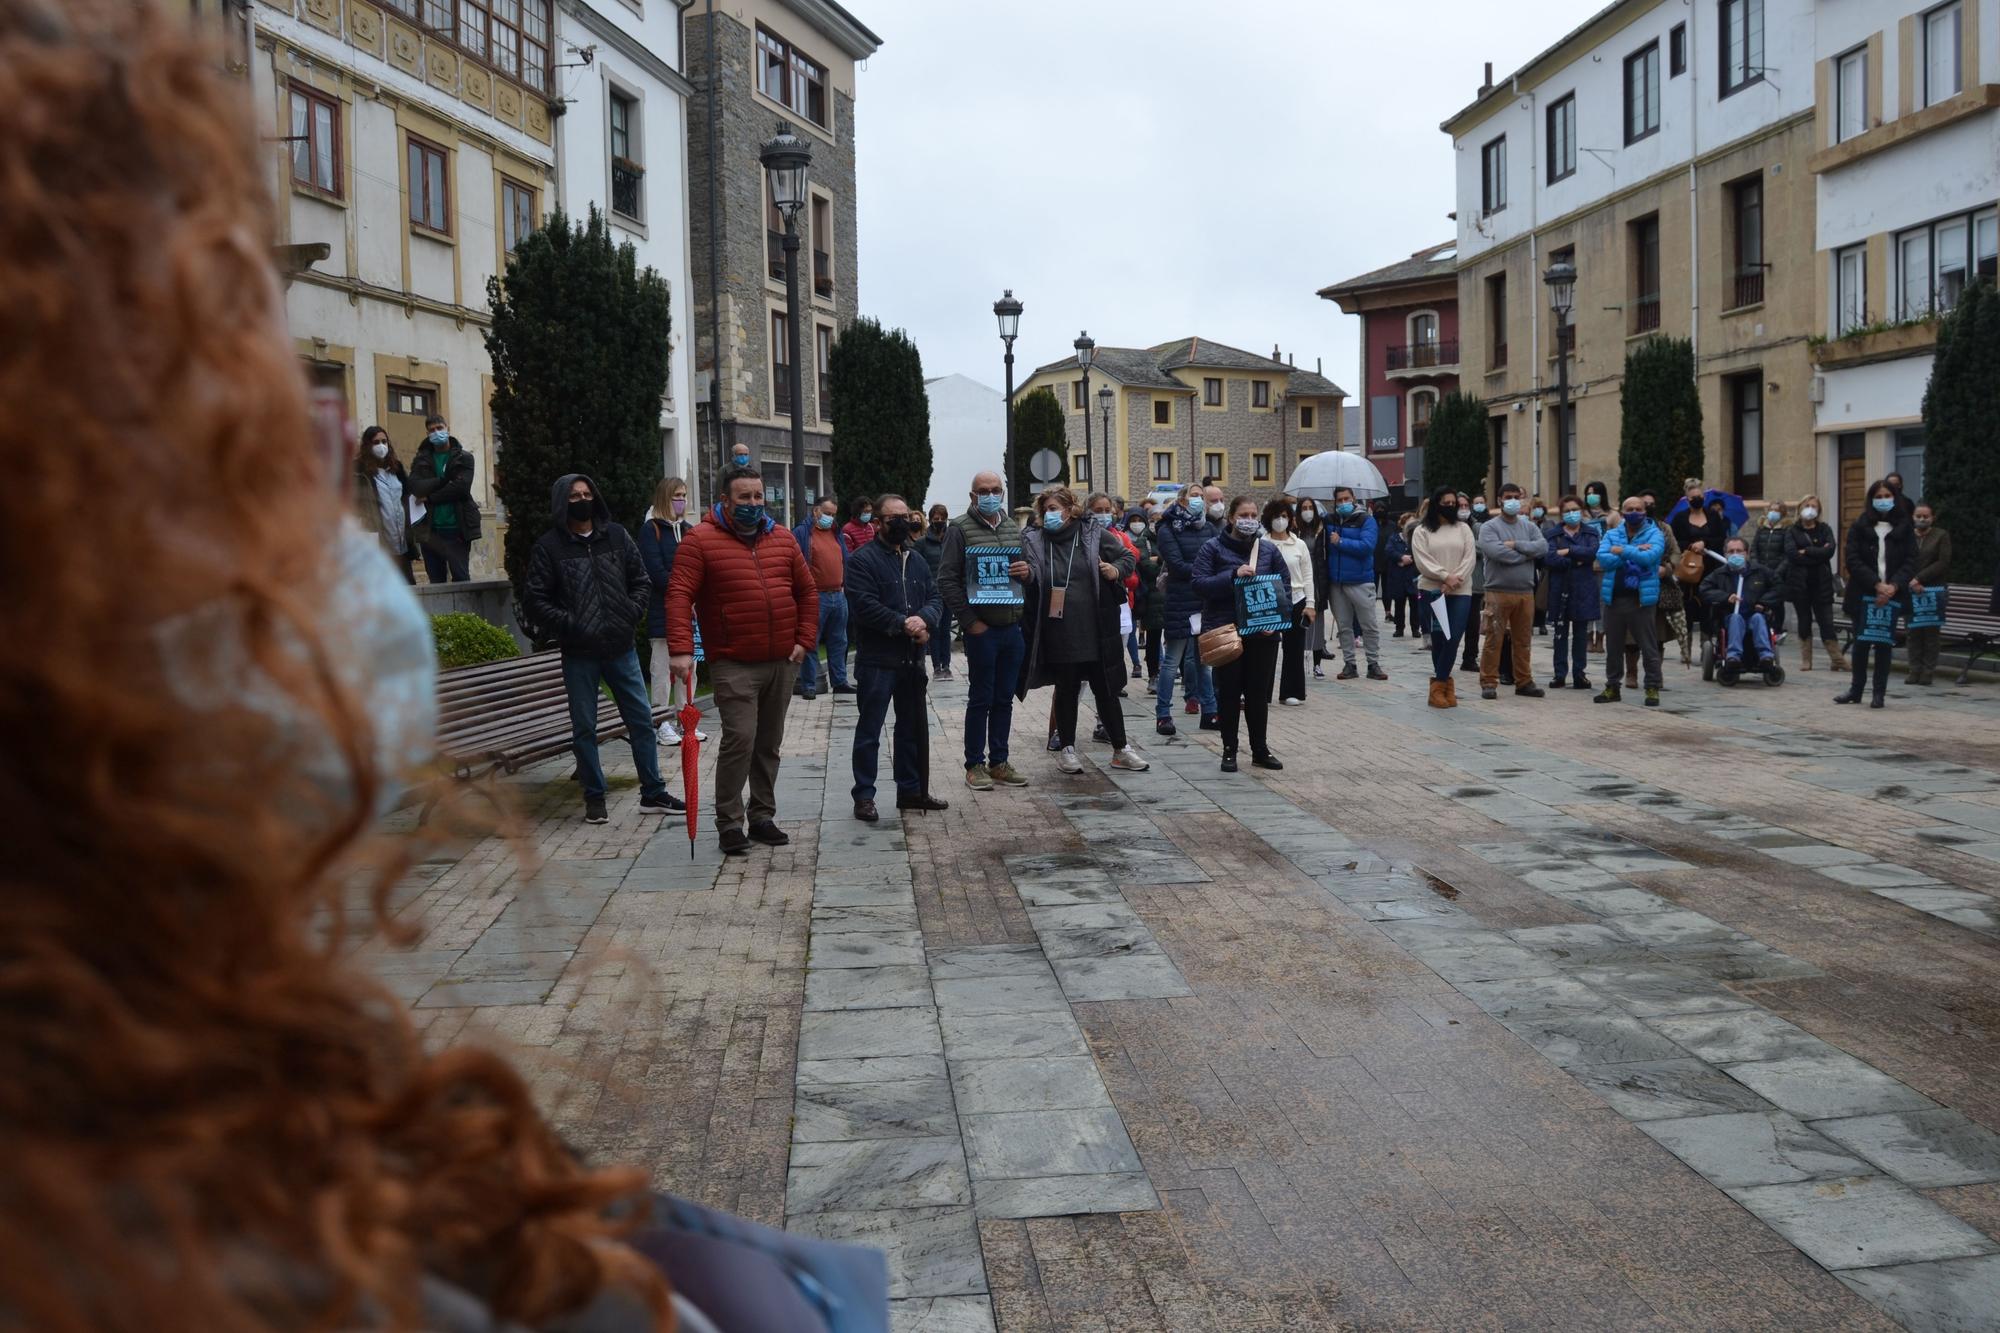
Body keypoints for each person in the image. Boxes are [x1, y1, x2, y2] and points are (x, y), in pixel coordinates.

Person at [4, 8, 883, 1329]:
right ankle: (685, 803)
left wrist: (783, 630)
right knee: (625, 737)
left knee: (671, 740)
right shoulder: (254, 1239)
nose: (310, 531)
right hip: (618, 656)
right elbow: (649, 582)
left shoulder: (222, 1095)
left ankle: (707, 801)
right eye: (248, 450)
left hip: (716, 658)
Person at [666, 469, 816, 855]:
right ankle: (729, 823)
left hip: (781, 660)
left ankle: (762, 816)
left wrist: (804, 640)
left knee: (769, 743)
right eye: (744, 497)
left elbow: (807, 591)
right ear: (725, 499)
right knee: (741, 739)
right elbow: (679, 595)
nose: (752, 504)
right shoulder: (700, 540)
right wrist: (681, 649)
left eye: (757, 497)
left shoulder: (782, 538)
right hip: (733, 661)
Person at [525, 475, 684, 824]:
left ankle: (653, 792)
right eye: (574, 496)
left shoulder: (616, 536)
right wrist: (571, 624)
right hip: (579, 653)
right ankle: (594, 797)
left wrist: (629, 613)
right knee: (585, 728)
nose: (583, 500)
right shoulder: (550, 547)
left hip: (620, 647)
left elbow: (640, 580)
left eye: (587, 494)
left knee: (641, 721)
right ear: (561, 502)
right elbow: (536, 599)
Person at [1017, 488, 1147, 774]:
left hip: (1097, 625)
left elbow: (1127, 558)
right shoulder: (1034, 539)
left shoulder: (1091, 533)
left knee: (1106, 689)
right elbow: (1032, 576)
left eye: (1056, 508)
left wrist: (1114, 570)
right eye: (1046, 508)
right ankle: (1067, 749)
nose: (1051, 513)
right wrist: (1027, 576)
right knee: (1067, 688)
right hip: (1058, 628)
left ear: (1071, 509)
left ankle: (1120, 749)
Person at [845, 496, 946, 821]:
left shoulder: (915, 559)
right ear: (877, 522)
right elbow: (864, 604)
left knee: (912, 729)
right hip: (877, 660)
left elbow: (934, 596)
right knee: (870, 731)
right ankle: (864, 796)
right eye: (894, 518)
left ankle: (912, 791)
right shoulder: (862, 560)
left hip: (912, 659)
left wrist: (925, 620)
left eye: (906, 516)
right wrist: (903, 624)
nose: (903, 523)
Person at [937, 471, 1033, 791]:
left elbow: (1027, 572)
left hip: (1011, 628)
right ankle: (974, 764)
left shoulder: (1011, 527)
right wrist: (969, 621)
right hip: (982, 631)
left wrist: (1027, 572)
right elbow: (947, 580)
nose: (990, 495)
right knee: (981, 698)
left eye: (995, 490)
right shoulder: (959, 529)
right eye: (983, 491)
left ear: (1003, 493)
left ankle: (1000, 762)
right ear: (972, 496)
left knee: (1004, 698)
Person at [1193, 495, 1291, 771]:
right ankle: (1229, 750)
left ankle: (1260, 748)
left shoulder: (1269, 551)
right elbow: (1199, 584)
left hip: (1263, 632)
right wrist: (1232, 575)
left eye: (1253, 515)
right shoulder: (1212, 549)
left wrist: (1277, 617)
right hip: (1227, 632)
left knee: (1258, 694)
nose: (1248, 520)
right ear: (1231, 518)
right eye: (1243, 515)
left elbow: (1284, 584)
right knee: (1229, 693)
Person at [1837, 479, 1917, 709]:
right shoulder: (1860, 525)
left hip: (1892, 594)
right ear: (1872, 500)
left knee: (1883, 644)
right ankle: (1856, 689)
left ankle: (1879, 692)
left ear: (1895, 497)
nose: (1883, 500)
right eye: (1878, 496)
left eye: (1887, 496)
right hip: (1864, 593)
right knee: (1861, 643)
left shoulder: (1905, 526)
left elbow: (1911, 560)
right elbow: (1852, 559)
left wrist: (1893, 586)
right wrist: (1875, 584)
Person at [638, 476, 703, 745]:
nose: (682, 501)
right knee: (662, 667)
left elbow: (698, 565)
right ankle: (661, 721)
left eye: (685, 495)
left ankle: (686, 719)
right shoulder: (651, 530)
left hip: (690, 611)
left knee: (691, 667)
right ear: (666, 497)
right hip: (663, 609)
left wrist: (696, 596)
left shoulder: (689, 529)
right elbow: (655, 570)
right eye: (677, 495)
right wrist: (683, 594)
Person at [1155, 482, 1220, 736]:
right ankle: (1163, 714)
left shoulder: (1210, 528)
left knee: (1205, 662)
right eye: (1194, 496)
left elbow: (1219, 557)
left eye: (1201, 497)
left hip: (1204, 602)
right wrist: (1206, 572)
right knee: (1171, 662)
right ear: (1182, 500)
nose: (1198, 500)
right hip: (1180, 602)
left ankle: (1210, 712)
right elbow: (1177, 565)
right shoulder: (1167, 527)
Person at [1473, 482, 1548, 700]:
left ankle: (1524, 681)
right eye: (1508, 496)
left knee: (1523, 640)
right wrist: (1527, 553)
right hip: (1498, 591)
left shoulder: (1529, 526)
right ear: (1499, 500)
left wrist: (1515, 545)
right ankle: (1488, 682)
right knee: (1494, 639)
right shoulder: (1490, 527)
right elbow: (1496, 553)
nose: (1513, 500)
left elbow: (1542, 547)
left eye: (1517, 496)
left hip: (1526, 592)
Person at [1593, 497, 1668, 706]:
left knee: (1648, 646)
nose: (1634, 512)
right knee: (1614, 647)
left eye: (1638, 509)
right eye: (1629, 509)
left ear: (1645, 511)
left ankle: (1652, 687)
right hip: (1614, 599)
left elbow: (1650, 558)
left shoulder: (1655, 533)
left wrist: (1622, 550)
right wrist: (1635, 552)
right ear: (1622, 512)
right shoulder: (1612, 533)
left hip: (1641, 600)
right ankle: (1612, 687)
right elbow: (1603, 557)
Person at [1412, 486, 1475, 709]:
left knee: (1454, 636)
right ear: (1436, 504)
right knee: (1438, 639)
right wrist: (1444, 576)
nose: (1450, 507)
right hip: (1432, 590)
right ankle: (1443, 688)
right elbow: (1422, 560)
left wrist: (1455, 579)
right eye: (1445, 503)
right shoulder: (1422, 531)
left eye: (1453, 503)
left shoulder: (1463, 529)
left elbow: (1470, 557)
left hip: (1460, 590)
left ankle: (1439, 683)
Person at [407, 411, 481, 583]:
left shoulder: (464, 458)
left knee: (461, 578)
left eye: (439, 428)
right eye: (431, 430)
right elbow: (415, 486)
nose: (436, 433)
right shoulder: (421, 461)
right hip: (430, 532)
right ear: (427, 434)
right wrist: (444, 481)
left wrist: (430, 497)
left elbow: (461, 489)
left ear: (448, 429)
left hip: (457, 528)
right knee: (436, 582)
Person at [1323, 486, 1387, 681]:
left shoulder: (1367, 520)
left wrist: (1341, 542)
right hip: (1337, 582)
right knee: (1344, 626)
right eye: (1339, 500)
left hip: (1361, 581)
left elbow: (1367, 546)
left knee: (1369, 625)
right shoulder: (1330, 521)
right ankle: (1349, 663)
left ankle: (1373, 663)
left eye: (1346, 499)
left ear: (1354, 499)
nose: (1343, 503)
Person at [1699, 537, 1784, 679]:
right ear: (1725, 554)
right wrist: (1725, 597)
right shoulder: (1720, 574)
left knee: (1758, 618)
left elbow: (1779, 587)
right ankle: (1733, 657)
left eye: (1739, 551)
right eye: (1731, 551)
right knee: (1736, 618)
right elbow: (1704, 590)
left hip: (1754, 615)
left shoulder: (1760, 571)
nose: (1735, 554)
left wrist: (1763, 602)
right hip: (1730, 616)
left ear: (1747, 553)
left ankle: (1766, 656)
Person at [794, 496, 852, 699]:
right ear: (816, 511)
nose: (830, 518)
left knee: (839, 641)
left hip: (838, 594)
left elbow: (845, 559)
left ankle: (840, 681)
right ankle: (809, 685)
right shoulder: (802, 533)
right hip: (815, 596)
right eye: (827, 513)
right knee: (811, 641)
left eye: (833, 514)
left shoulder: (836, 533)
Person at [1264, 497, 1316, 704]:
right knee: (1267, 647)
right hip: (1271, 600)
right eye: (1276, 516)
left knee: (1294, 648)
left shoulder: (1300, 544)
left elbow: (1308, 576)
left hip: (1296, 598)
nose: (1280, 520)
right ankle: (1263, 692)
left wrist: (1310, 604)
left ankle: (1291, 691)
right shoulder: (1263, 543)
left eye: (1284, 516)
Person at [1786, 494, 1847, 672]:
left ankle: (1837, 659)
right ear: (1800, 507)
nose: (1810, 509)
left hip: (1822, 582)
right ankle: (1806, 660)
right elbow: (1792, 554)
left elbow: (1830, 551)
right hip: (1800, 584)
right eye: (1807, 505)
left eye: (1814, 506)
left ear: (1819, 510)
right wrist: (1817, 553)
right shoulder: (1792, 530)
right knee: (1804, 621)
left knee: (1826, 621)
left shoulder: (1824, 529)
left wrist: (1807, 551)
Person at [1543, 497, 1599, 690]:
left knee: (1581, 634)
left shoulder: (1590, 532)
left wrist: (1568, 551)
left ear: (1581, 510)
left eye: (1575, 509)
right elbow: (1549, 558)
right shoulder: (1553, 534)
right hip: (1560, 588)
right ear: (1561, 513)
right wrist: (1575, 559)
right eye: (1567, 510)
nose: (1571, 513)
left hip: (1583, 589)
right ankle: (1559, 674)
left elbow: (1592, 553)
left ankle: (1579, 673)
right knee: (1560, 633)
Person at [354, 424, 413, 582]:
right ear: (367, 445)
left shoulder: (396, 468)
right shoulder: (359, 470)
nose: (381, 446)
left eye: (384, 441)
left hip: (401, 540)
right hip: (377, 539)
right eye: (376, 442)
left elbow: (407, 495)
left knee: (407, 584)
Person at [1672, 478, 1728, 639]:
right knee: (1688, 605)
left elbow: (1721, 538)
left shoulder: (1713, 516)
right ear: (1687, 499)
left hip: (1710, 567)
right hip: (1689, 569)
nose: (1697, 499)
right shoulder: (1680, 518)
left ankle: (1707, 642)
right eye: (1693, 497)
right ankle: (1686, 644)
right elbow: (1676, 542)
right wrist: (1692, 546)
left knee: (1709, 605)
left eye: (1700, 496)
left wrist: (1705, 543)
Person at [1909, 502, 1954, 686]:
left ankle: (1928, 671)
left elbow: (1943, 562)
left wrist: (1920, 578)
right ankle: (1914, 670)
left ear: (1932, 518)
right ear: (1913, 516)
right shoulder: (1907, 536)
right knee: (1912, 631)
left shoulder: (1941, 535)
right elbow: (1901, 559)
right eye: (1918, 516)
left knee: (1931, 632)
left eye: (1925, 516)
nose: (1922, 519)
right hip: (1910, 588)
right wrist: (1911, 580)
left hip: (1933, 589)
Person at [914, 502, 955, 679]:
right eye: (936, 519)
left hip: (949, 591)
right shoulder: (922, 543)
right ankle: (937, 666)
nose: (939, 522)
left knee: (946, 630)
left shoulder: (951, 540)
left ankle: (946, 665)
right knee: (935, 630)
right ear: (930, 520)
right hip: (931, 593)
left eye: (942, 519)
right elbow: (917, 567)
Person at [1746, 499, 1792, 651]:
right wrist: (1755, 564)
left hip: (1777, 572)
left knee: (1777, 602)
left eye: (1777, 510)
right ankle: (1762, 627)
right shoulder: (1762, 528)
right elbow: (1754, 549)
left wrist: (1778, 571)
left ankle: (1777, 630)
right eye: (1771, 509)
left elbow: (1787, 554)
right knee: (1759, 598)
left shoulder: (1786, 530)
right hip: (1760, 570)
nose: (1773, 513)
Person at [1128, 508, 1164, 688]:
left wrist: (1159, 559)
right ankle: (1153, 675)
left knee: (1178, 637)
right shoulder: (1144, 541)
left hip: (1170, 596)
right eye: (1154, 520)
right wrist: (1161, 562)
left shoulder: (1168, 539)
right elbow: (1148, 567)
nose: (1157, 523)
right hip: (1152, 597)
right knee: (1154, 638)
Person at [1459, 491, 1486, 673]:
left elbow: (1484, 548)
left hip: (1474, 582)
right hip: (1453, 581)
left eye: (1465, 506)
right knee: (1452, 623)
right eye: (1459, 506)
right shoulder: (1447, 528)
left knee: (1473, 623)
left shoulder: (1477, 527)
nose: (1463, 510)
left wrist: (1465, 545)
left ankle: (1470, 657)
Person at [1380, 510, 1416, 639]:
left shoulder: (1417, 537)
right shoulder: (1394, 538)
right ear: (1402, 525)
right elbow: (1388, 550)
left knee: (1415, 604)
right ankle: (1399, 628)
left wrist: (1409, 559)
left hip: (1413, 576)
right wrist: (1400, 557)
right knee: (1399, 604)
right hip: (1398, 577)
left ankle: (1415, 628)